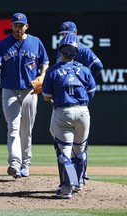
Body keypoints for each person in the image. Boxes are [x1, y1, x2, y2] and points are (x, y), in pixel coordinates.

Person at [0, 12, 49, 179]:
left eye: (21, 25)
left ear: (26, 26)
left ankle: (26, 164)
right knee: (13, 127)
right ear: (11, 26)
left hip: (30, 90)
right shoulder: (3, 44)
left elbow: (45, 61)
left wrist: (43, 75)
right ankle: (15, 163)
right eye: (15, 25)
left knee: (27, 130)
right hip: (9, 90)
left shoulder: (35, 42)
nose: (18, 28)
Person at [42, 33, 96, 199]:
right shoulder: (85, 70)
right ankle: (78, 183)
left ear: (60, 51)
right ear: (77, 52)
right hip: (82, 112)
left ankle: (67, 189)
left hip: (63, 112)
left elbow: (46, 96)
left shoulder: (52, 71)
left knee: (64, 153)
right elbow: (91, 93)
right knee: (79, 151)